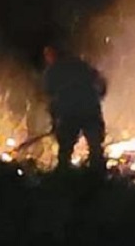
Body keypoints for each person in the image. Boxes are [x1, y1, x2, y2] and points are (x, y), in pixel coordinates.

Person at [42, 45, 108, 174]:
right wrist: (98, 97)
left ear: (52, 55)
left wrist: (55, 120)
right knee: (95, 147)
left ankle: (64, 175)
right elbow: (101, 81)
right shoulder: (80, 65)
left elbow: (51, 99)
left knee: (66, 149)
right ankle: (98, 175)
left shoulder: (52, 72)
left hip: (71, 113)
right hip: (89, 109)